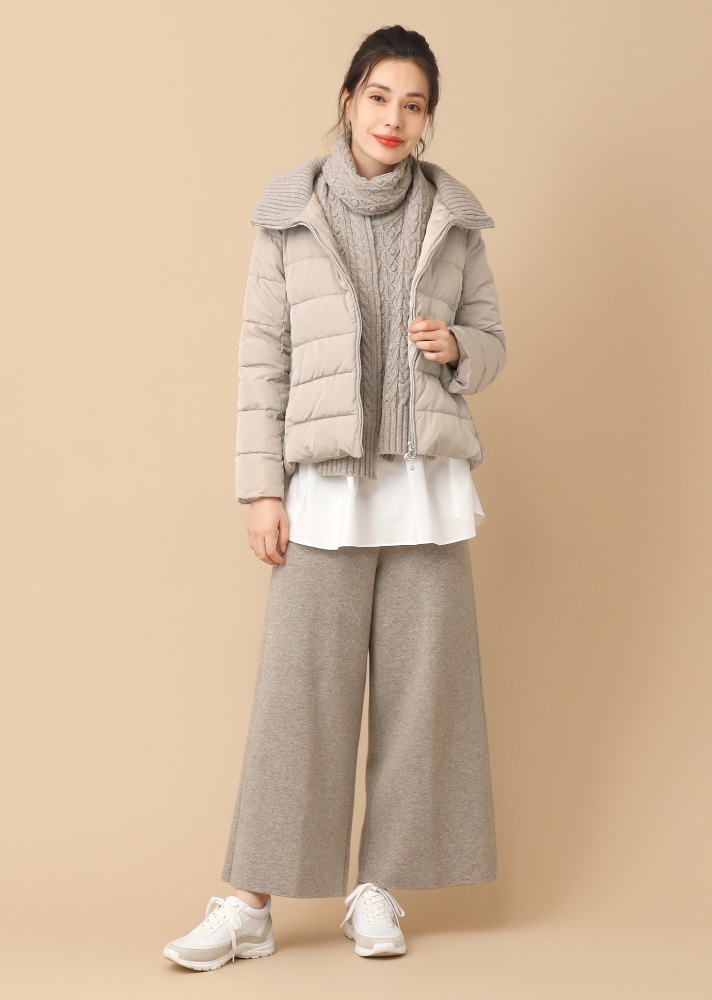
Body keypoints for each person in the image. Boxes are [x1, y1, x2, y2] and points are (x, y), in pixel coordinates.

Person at [163, 23, 507, 970]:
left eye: (414, 104)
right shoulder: (291, 215)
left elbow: (492, 341)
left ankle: (378, 890)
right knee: (298, 698)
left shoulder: (454, 221)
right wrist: (260, 491)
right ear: (349, 99)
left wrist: (459, 349)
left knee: (420, 698)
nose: (395, 118)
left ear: (428, 119)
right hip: (323, 487)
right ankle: (249, 904)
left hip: (425, 487)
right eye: (380, 97)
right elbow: (261, 362)